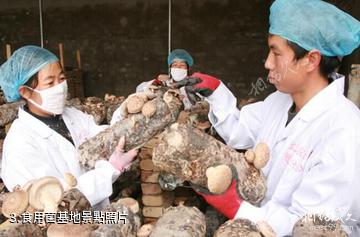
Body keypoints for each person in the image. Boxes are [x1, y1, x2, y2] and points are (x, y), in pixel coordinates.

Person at [174, 0, 360, 236]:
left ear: (311, 60)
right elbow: (239, 132)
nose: (267, 63)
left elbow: (310, 227)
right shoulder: (280, 101)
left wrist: (237, 206)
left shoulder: (345, 131)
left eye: (276, 52)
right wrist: (216, 90)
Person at [0, 45, 138, 210]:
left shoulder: (71, 115)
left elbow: (102, 136)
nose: (59, 87)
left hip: (98, 218)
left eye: (61, 78)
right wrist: (110, 170)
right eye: (50, 82)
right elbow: (59, 199)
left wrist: (126, 114)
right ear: (26, 92)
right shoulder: (20, 144)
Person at [110, 48, 195, 125]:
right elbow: (140, 89)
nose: (178, 68)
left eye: (182, 65)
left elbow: (197, 107)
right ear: (170, 68)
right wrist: (156, 82)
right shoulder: (164, 82)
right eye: (175, 65)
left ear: (188, 69)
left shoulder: (194, 86)